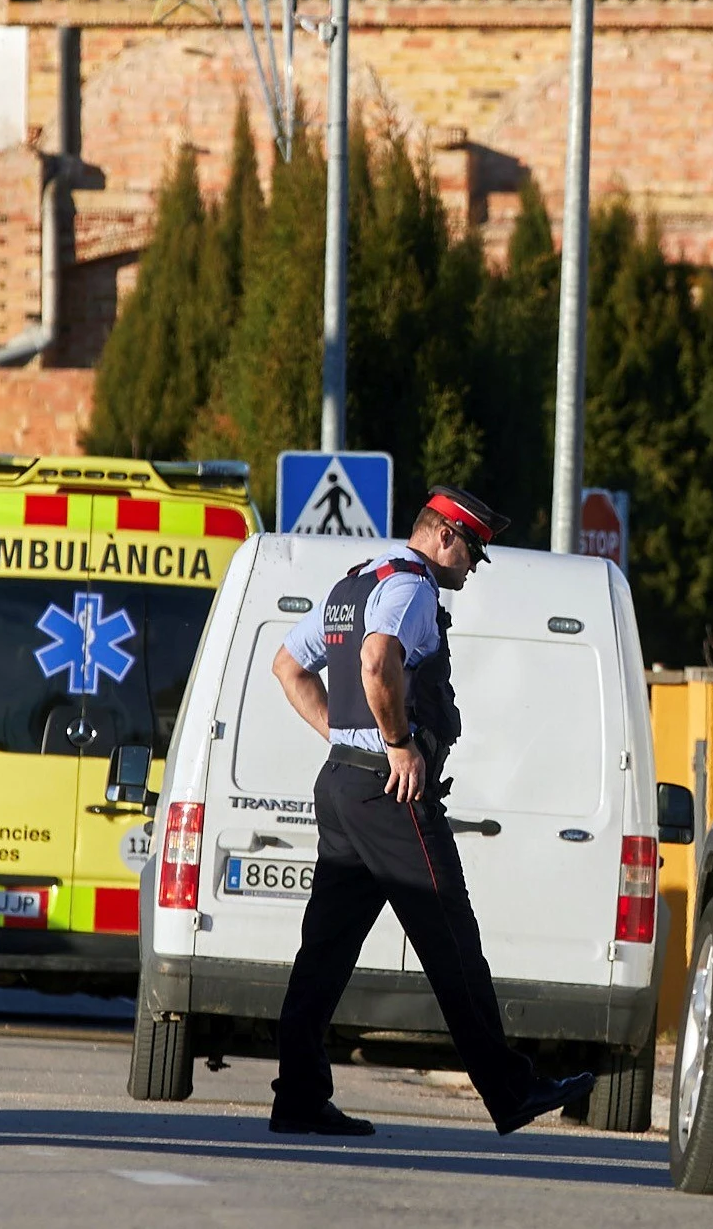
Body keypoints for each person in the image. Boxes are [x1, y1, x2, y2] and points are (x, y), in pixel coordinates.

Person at [266, 486, 595, 1137]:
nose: (471, 568)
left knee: (324, 953)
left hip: (342, 785)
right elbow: (376, 659)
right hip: (391, 797)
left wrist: (346, 740)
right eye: (472, 552)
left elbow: (286, 666)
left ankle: (298, 1095)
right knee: (452, 941)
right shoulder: (412, 587)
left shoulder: (355, 582)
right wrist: (394, 747)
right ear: (443, 535)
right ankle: (511, 1090)